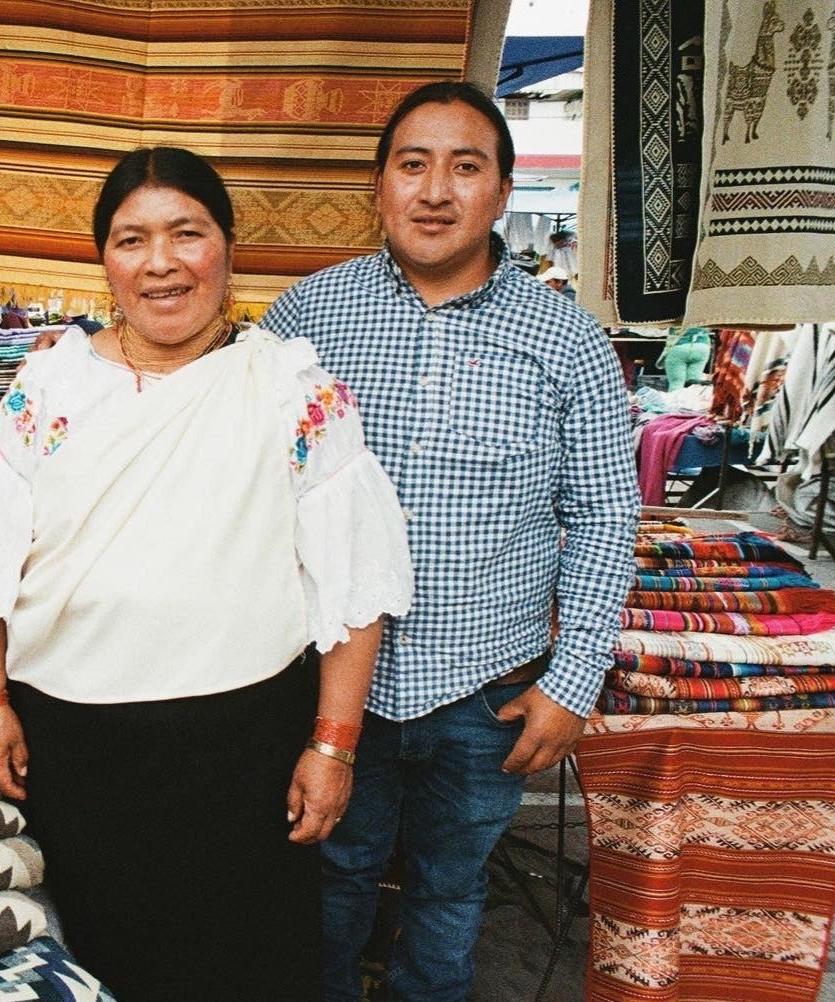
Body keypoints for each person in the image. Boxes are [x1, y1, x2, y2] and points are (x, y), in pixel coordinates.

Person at [0, 146, 414, 1002]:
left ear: (226, 247)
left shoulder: (289, 387)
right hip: (73, 751)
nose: (161, 263)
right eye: (132, 240)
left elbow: (356, 583)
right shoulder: (50, 384)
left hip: (242, 754)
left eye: (186, 233)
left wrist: (332, 744)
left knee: (240, 970)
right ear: (105, 260)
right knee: (93, 965)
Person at [262, 81, 640, 1002]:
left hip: (489, 690)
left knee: (448, 888)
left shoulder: (569, 341)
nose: (437, 191)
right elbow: (247, 490)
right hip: (328, 687)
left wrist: (572, 679)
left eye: (465, 168)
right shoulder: (303, 320)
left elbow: (604, 514)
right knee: (328, 879)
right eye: (413, 165)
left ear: (503, 193)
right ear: (379, 186)